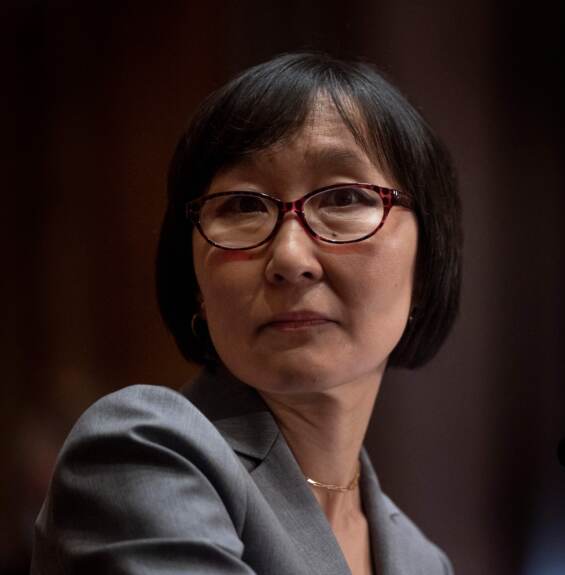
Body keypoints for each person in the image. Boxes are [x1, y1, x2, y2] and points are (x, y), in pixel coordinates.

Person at [30, 52, 462, 574]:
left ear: (427, 263)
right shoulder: (143, 452)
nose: (291, 259)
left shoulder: (423, 561)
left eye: (345, 197)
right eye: (241, 206)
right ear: (195, 285)